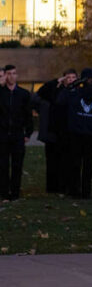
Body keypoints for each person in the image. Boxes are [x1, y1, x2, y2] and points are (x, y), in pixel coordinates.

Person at [35, 68, 77, 194]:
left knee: (68, 161)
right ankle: (53, 187)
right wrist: (56, 82)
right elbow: (41, 92)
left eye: (73, 78)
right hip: (54, 132)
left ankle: (67, 186)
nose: (70, 80)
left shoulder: (78, 92)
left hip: (70, 132)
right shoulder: (56, 91)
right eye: (68, 78)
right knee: (53, 161)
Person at [65, 71, 92, 199]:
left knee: (87, 165)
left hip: (89, 134)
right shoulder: (76, 93)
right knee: (76, 164)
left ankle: (84, 191)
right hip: (78, 133)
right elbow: (62, 98)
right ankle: (76, 190)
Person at [0, 64, 33, 201]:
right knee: (2, 166)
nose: (12, 76)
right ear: (5, 75)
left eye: (14, 73)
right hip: (2, 135)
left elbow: (28, 116)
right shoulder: (0, 93)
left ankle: (15, 193)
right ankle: (4, 193)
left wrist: (27, 134)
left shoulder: (24, 94)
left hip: (17, 135)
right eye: (9, 73)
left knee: (17, 165)